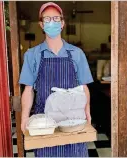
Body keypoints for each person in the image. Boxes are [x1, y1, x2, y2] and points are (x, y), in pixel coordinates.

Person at [19, 2, 93, 157]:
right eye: (47, 19)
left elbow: (83, 87)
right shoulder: (32, 55)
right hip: (45, 123)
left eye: (56, 18)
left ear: (62, 23)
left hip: (73, 120)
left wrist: (87, 112)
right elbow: (28, 90)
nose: (51, 22)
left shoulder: (77, 54)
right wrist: (24, 117)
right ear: (41, 24)